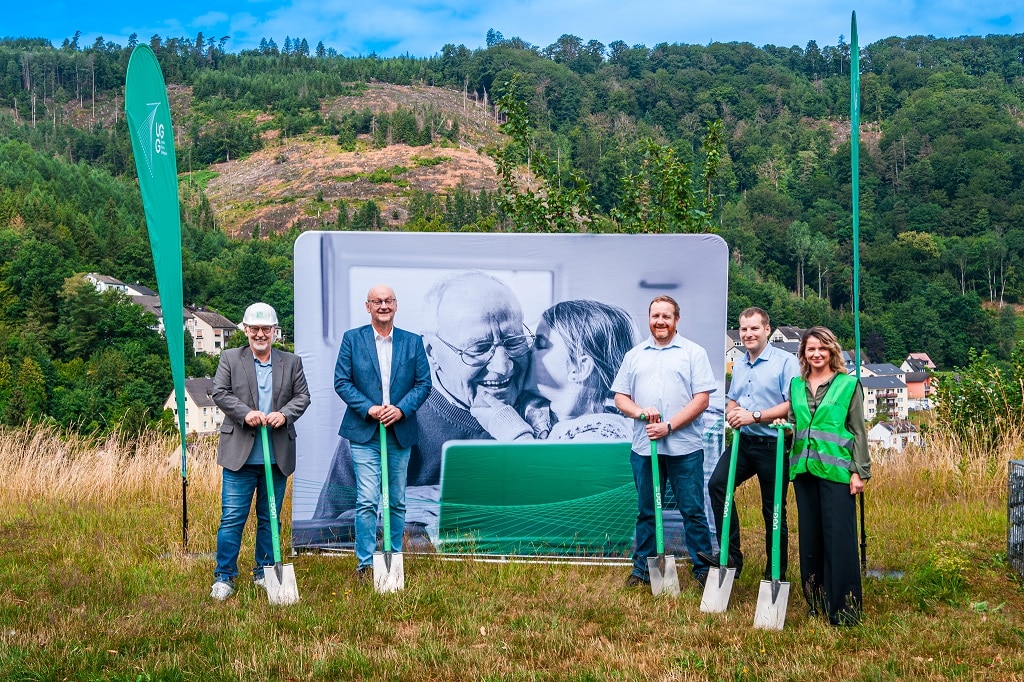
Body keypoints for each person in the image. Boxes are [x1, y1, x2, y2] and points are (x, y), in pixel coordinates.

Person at [611, 295, 717, 588]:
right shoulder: (635, 355)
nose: (660, 321)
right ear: (649, 318)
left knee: (692, 510)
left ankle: (703, 571)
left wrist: (669, 426)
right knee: (647, 510)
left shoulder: (693, 353)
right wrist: (640, 412)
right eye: (655, 316)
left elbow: (702, 399)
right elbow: (620, 397)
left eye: (666, 316)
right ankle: (643, 572)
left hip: (685, 449)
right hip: (645, 449)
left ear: (676, 320)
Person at [210, 302, 310, 600]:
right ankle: (224, 577)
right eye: (254, 328)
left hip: (276, 454)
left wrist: (284, 415)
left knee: (270, 517)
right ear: (245, 330)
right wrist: (245, 413)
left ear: (275, 331)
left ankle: (264, 572)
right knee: (232, 517)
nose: (260, 334)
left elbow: (302, 396)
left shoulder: (291, 362)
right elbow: (219, 392)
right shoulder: (230, 358)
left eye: (266, 328)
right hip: (240, 455)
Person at [334, 285, 432, 583]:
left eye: (388, 301)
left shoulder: (413, 342)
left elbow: (423, 384)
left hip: (399, 431)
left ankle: (393, 560)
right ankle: (365, 564)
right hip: (365, 432)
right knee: (366, 499)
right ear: (368, 306)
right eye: (377, 301)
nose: (383, 305)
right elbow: (342, 382)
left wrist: (400, 410)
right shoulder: (352, 340)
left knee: (398, 500)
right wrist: (370, 409)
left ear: (396, 305)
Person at [777, 326, 870, 626]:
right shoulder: (795, 386)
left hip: (837, 472)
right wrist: (786, 427)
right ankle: (816, 601)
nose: (816, 354)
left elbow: (858, 431)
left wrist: (859, 472)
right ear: (803, 353)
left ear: (832, 351)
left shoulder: (847, 385)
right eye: (810, 349)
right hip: (804, 473)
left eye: (822, 349)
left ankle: (845, 609)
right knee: (811, 540)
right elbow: (796, 426)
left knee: (839, 540)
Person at [702, 307, 799, 580]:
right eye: (744, 329)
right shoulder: (741, 362)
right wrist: (733, 412)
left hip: (774, 445)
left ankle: (774, 572)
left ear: (767, 330)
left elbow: (792, 405)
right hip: (745, 444)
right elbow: (734, 399)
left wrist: (754, 416)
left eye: (754, 328)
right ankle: (731, 556)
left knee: (773, 510)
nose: (748, 334)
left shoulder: (784, 362)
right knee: (717, 484)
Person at [472, 299, 636, 441]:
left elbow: (551, 475)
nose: (527, 350)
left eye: (540, 345)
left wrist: (513, 432)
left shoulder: (606, 433)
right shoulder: (534, 409)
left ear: (579, 369)